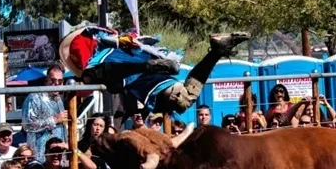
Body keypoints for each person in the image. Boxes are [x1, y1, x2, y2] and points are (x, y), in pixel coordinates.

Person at [60, 26, 250, 117]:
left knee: (182, 100)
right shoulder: (118, 45)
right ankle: (216, 52)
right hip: (144, 69)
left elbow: (99, 80)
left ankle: (215, 52)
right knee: (180, 102)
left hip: (144, 77)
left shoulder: (94, 60)